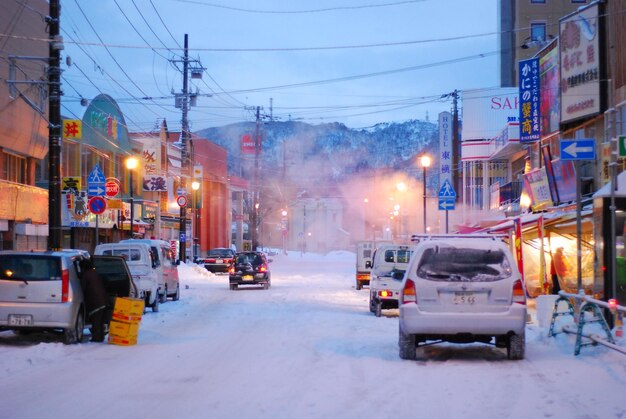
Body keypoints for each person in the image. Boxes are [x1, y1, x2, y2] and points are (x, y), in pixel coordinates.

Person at [79, 258, 108, 342]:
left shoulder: (86, 275)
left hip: (95, 302)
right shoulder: (95, 273)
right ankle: (100, 336)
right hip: (103, 300)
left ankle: (96, 338)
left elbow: (82, 288)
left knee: (96, 321)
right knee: (101, 321)